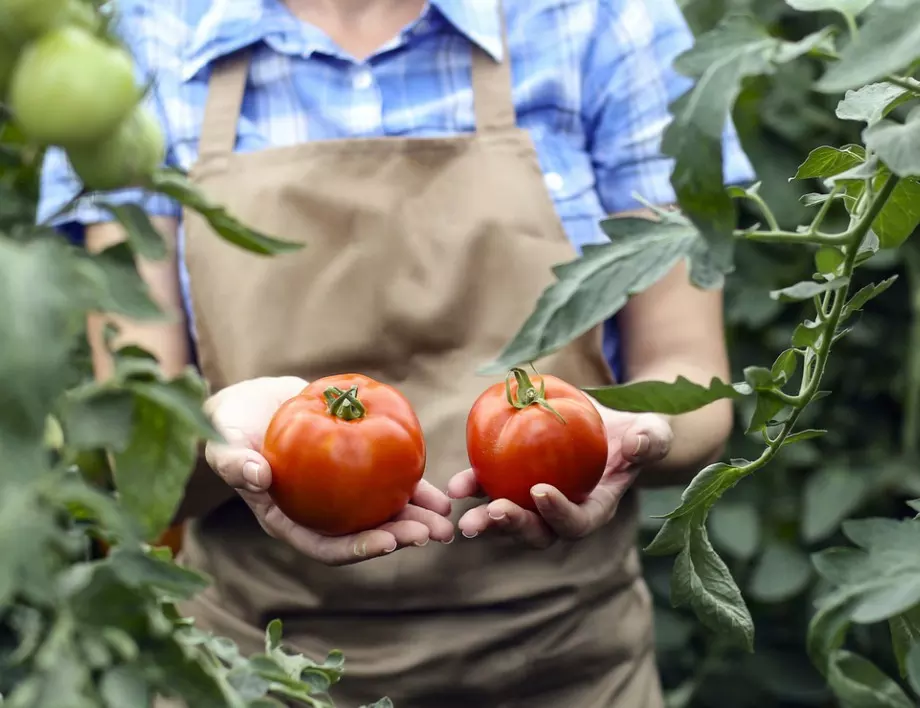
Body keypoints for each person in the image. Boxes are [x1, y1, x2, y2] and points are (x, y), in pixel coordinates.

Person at [39, 0, 754, 705]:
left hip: (568, 671)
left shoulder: (605, 20)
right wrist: (207, 432)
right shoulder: (140, 39)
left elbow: (691, 382)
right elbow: (128, 452)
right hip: (253, 675)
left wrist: (629, 431)